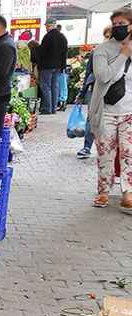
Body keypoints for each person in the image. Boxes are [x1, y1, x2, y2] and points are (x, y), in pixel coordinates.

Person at [88, 7, 132, 212]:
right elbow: (104, 77)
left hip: (129, 111)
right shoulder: (102, 50)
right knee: (105, 152)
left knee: (129, 154)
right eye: (115, 25)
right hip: (106, 110)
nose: (118, 28)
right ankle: (103, 191)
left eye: (122, 25)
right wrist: (123, 56)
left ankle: (128, 193)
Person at [76, 25, 113, 159]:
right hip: (96, 88)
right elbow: (88, 73)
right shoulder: (96, 52)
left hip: (115, 91)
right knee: (92, 117)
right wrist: (82, 92)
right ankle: (87, 146)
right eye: (107, 37)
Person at [38, 20, 68, 114]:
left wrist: (39, 64)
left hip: (47, 66)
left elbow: (42, 52)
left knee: (46, 87)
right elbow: (65, 53)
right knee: (55, 86)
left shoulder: (47, 37)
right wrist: (63, 65)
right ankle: (54, 108)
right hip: (58, 66)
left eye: (46, 26)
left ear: (49, 26)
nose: (46, 28)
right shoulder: (62, 36)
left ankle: (47, 109)